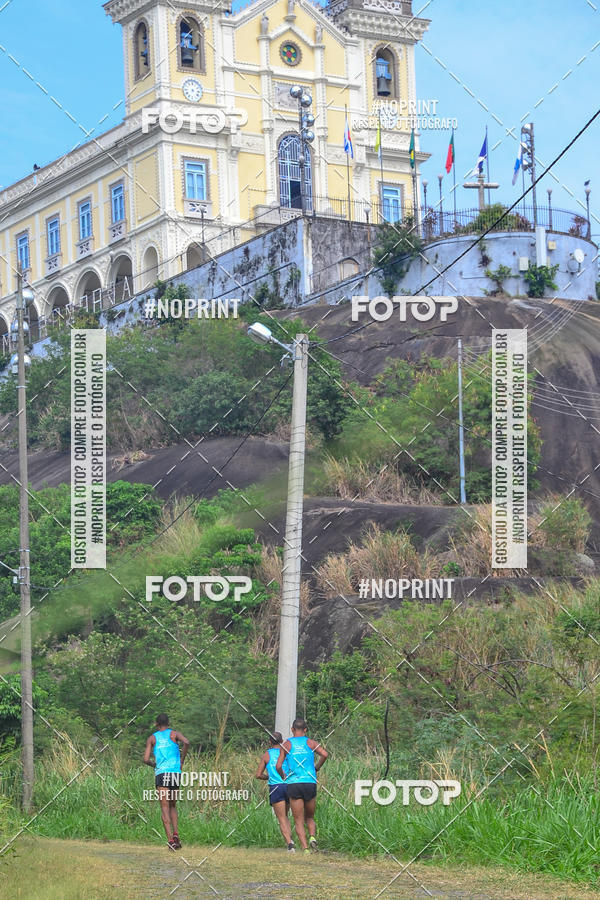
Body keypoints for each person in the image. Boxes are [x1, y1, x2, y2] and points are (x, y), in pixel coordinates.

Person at [277, 718, 328, 853]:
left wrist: (283, 775)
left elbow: (278, 765)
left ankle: (305, 849)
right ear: (305, 730)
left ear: (292, 729)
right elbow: (324, 754)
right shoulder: (311, 743)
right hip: (309, 782)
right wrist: (316, 768)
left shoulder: (286, 745)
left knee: (298, 820)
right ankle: (312, 837)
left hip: (294, 783)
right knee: (309, 817)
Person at [143, 713, 190, 851]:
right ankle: (176, 835)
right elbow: (186, 742)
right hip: (175, 772)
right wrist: (181, 760)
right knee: (173, 805)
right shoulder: (174, 734)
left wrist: (154, 765)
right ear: (168, 723)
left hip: (162, 774)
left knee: (164, 807)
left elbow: (145, 759)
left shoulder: (152, 738)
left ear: (157, 724)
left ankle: (171, 841)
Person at [255, 731, 295, 852]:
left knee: (281, 817)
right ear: (282, 741)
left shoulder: (267, 755)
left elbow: (258, 775)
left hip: (276, 787)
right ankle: (291, 840)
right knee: (286, 815)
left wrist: (268, 777)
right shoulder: (287, 752)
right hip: (289, 785)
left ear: (269, 742)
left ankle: (289, 844)